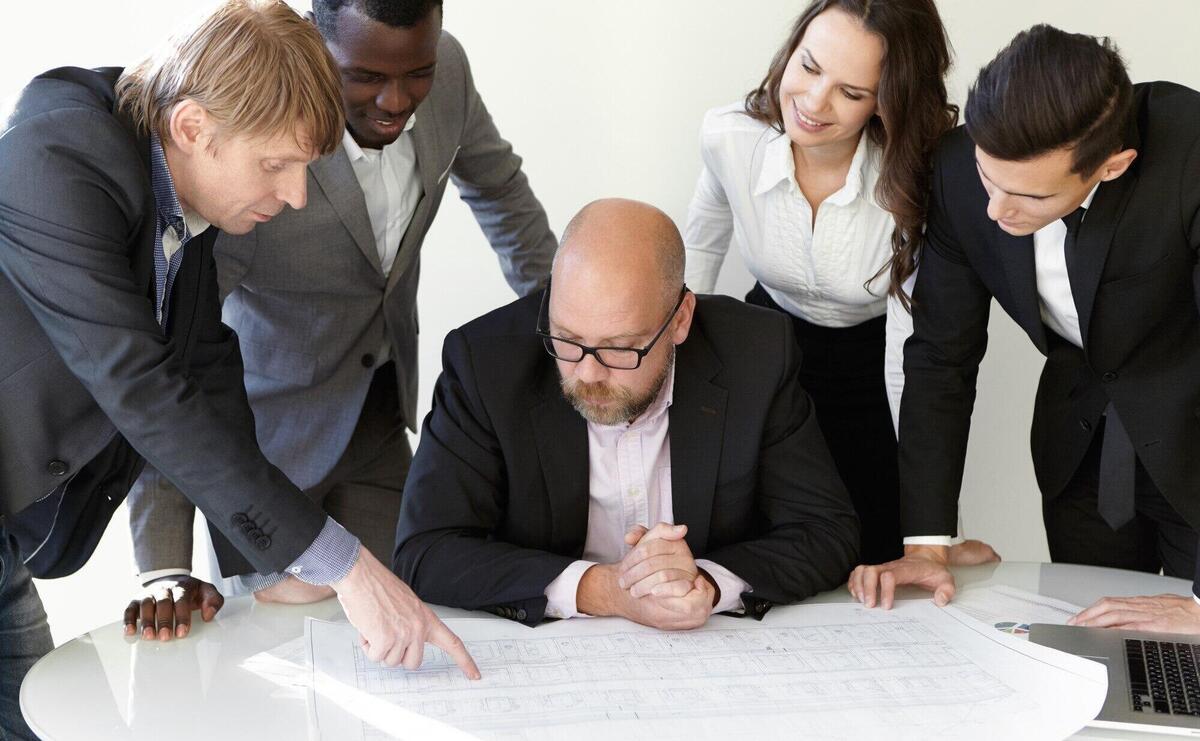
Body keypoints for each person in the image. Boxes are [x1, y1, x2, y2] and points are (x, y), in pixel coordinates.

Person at [0, 3, 477, 736]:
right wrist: (344, 565)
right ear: (193, 127)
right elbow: (142, 387)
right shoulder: (58, 155)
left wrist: (278, 569)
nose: (292, 197)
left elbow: (212, 383)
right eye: (277, 165)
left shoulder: (181, 200)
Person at [124, 0, 556, 623]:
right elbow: (165, 365)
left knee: (401, 628)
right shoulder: (248, 151)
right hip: (263, 449)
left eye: (416, 74)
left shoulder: (449, 70)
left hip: (379, 421)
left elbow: (501, 193)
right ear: (314, 50)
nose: (397, 100)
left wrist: (567, 334)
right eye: (366, 77)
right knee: (279, 669)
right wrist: (164, 565)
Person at [849, 25, 1200, 633]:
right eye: (991, 180)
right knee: (1099, 649)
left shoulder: (1191, 151)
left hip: (1193, 436)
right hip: (1079, 452)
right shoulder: (962, 166)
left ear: (1112, 166)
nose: (996, 211)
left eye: (1029, 195)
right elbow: (940, 358)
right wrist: (927, 542)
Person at [393, 198, 860, 628]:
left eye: (620, 349)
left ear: (679, 320)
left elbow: (825, 530)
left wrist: (708, 581)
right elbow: (426, 550)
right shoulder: (485, 363)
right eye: (566, 339)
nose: (588, 373)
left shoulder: (756, 354)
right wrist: (608, 590)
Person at [683, 0, 957, 565]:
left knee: (871, 551)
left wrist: (928, 538)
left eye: (851, 93)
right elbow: (697, 258)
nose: (813, 102)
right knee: (750, 550)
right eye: (808, 67)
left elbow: (910, 357)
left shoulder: (919, 178)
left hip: (873, 366)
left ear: (887, 102)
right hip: (763, 351)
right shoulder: (729, 135)